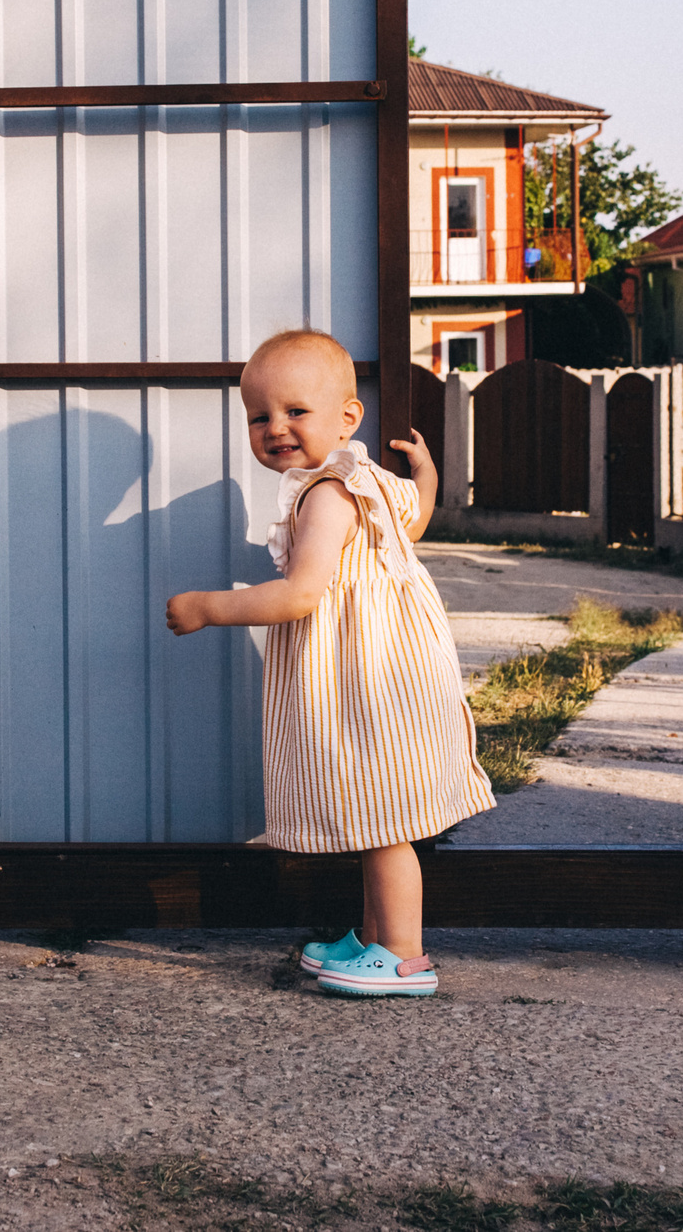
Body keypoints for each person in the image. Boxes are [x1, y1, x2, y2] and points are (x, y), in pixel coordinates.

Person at [163, 328, 495, 997]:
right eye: (260, 416)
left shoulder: (326, 492)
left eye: (295, 411)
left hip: (366, 677)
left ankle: (404, 955)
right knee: (377, 812)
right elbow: (417, 518)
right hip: (390, 669)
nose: (276, 428)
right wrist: (427, 475)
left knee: (386, 823)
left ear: (348, 417)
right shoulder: (367, 478)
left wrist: (207, 606)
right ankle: (375, 939)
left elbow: (302, 594)